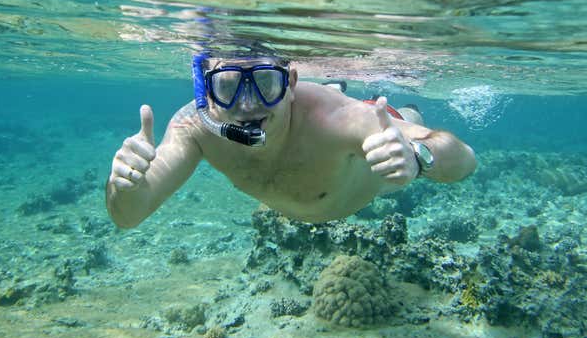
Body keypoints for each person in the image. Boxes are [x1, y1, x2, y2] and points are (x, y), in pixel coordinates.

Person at [106, 55, 476, 227]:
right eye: (229, 86)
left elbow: (466, 161)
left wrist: (419, 156)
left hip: (368, 174)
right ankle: (324, 85)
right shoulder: (194, 128)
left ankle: (405, 107)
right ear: (206, 90)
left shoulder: (338, 119)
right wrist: (123, 184)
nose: (248, 105)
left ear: (291, 83)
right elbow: (129, 214)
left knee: (401, 119)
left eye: (266, 83)